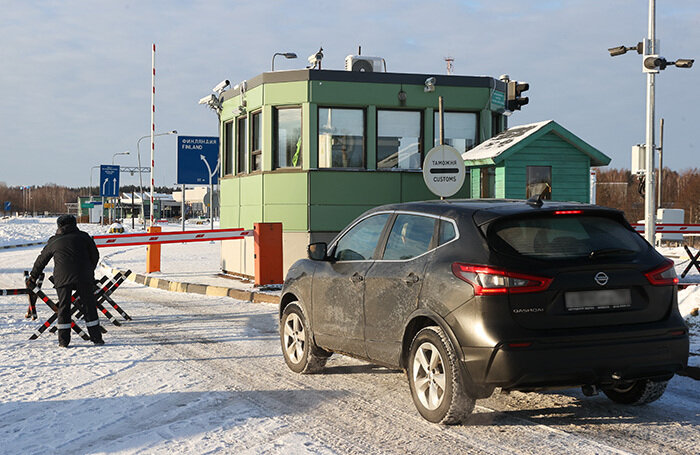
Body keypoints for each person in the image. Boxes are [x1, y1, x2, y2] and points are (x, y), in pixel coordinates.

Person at [27, 214, 104, 347]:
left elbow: (41, 260)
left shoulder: (54, 241)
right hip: (84, 277)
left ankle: (63, 341)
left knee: (63, 307)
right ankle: (96, 338)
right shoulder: (84, 237)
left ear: (59, 226)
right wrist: (89, 269)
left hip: (62, 279)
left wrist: (33, 276)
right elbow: (95, 255)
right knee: (89, 306)